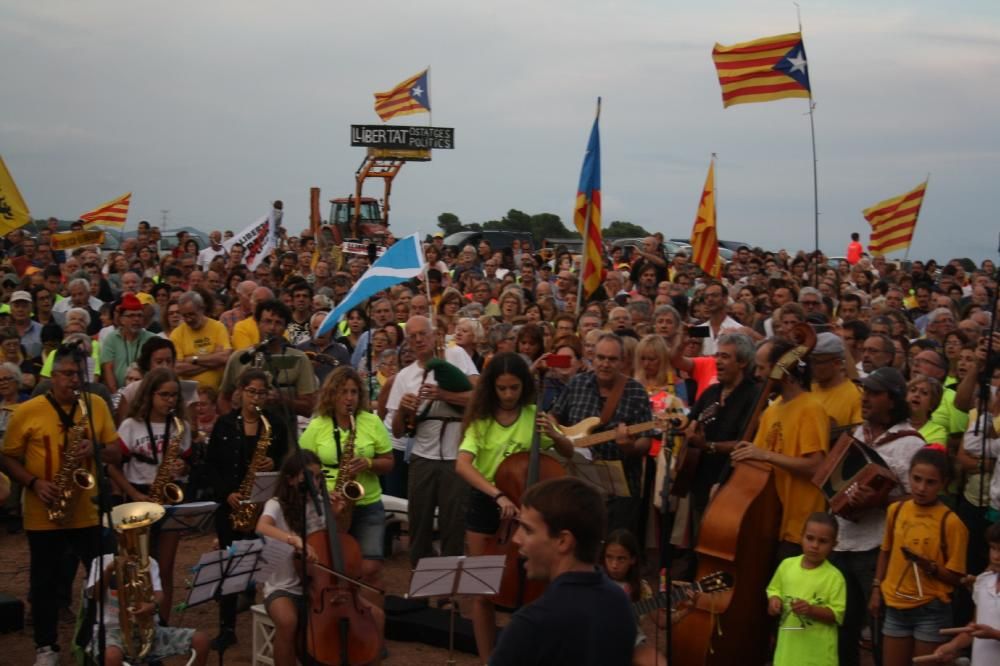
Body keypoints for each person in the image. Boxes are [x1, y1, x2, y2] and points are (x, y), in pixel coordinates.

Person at [0, 345, 121, 666]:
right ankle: (46, 646)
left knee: (101, 576)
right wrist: (34, 483)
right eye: (67, 374)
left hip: (87, 509)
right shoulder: (28, 410)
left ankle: (97, 637)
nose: (73, 380)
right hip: (43, 510)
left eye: (78, 374)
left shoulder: (95, 404)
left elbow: (115, 452)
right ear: (52, 376)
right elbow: (8, 457)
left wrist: (95, 447)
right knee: (44, 581)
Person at [454, 352, 575, 662]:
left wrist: (554, 435)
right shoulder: (481, 421)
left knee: (534, 589)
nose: (508, 395)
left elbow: (568, 451)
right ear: (492, 388)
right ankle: (488, 659)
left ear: (524, 386)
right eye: (502, 388)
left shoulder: (535, 416)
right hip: (487, 502)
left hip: (528, 508)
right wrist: (497, 495)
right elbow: (463, 465)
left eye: (514, 388)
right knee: (483, 591)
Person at [830, 366, 926, 666]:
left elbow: (920, 500)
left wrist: (880, 500)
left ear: (893, 400)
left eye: (874, 393)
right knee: (842, 629)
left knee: (880, 631)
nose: (865, 398)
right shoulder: (858, 433)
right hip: (842, 543)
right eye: (865, 391)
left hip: (878, 550)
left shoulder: (912, 444)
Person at [255, 451, 386, 666]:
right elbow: (262, 526)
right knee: (288, 622)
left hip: (320, 586)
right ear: (290, 480)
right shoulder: (276, 504)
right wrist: (294, 540)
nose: (315, 484)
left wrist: (335, 514)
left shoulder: (319, 505)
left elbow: (334, 542)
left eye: (318, 478)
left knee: (377, 616)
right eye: (308, 478)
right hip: (283, 585)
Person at [489, 476, 636, 666]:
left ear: (563, 541)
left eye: (527, 529)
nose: (516, 538)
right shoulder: (619, 601)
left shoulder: (531, 624)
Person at [205, 369, 289, 651]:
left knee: (265, 563)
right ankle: (227, 628)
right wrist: (225, 493)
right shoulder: (225, 424)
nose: (256, 398)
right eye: (251, 392)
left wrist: (275, 463)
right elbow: (211, 465)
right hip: (232, 504)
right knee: (229, 565)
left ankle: (269, 614)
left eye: (261, 393)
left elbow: (287, 460)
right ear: (240, 392)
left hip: (263, 505)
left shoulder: (275, 424)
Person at [386, 315, 477, 569]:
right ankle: (420, 581)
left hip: (456, 456)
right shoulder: (405, 376)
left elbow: (479, 396)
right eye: (412, 336)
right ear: (407, 342)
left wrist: (443, 395)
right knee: (419, 522)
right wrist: (403, 410)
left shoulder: (456, 355)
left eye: (422, 334)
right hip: (422, 456)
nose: (418, 340)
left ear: (434, 334)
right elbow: (397, 432)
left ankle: (450, 584)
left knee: (454, 523)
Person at [105, 368, 192, 624]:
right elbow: (112, 467)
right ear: (150, 395)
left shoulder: (181, 427)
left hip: (168, 500)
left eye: (174, 395)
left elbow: (188, 464)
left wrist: (182, 467)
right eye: (164, 395)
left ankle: (161, 623)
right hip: (138, 496)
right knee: (137, 566)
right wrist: (133, 493)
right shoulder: (131, 426)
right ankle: (133, 620)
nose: (170, 400)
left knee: (165, 568)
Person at [731, 337, 829, 560]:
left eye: (762, 368)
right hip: (771, 519)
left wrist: (765, 454)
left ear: (781, 369)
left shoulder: (811, 408)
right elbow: (758, 461)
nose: (757, 374)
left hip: (800, 525)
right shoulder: (772, 409)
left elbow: (816, 466)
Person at [300, 366, 393, 597]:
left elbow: (389, 462)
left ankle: (364, 610)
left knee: (370, 567)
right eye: (343, 392)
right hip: (331, 504)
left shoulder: (371, 421)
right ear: (332, 394)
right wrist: (322, 489)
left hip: (367, 502)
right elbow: (302, 463)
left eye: (354, 392)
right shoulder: (318, 424)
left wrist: (369, 463)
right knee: (331, 565)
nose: (349, 398)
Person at [871, 447, 969, 666]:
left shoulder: (951, 523)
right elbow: (885, 551)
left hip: (931, 609)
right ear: (908, 476)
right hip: (895, 605)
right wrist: (876, 588)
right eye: (916, 479)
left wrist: (929, 566)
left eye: (930, 482)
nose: (921, 488)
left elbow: (957, 578)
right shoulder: (896, 510)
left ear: (943, 484)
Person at [549, 333, 653, 534]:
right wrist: (560, 437)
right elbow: (554, 415)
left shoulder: (636, 392)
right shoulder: (577, 384)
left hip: (619, 490)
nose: (605, 364)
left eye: (612, 359)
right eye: (601, 358)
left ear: (622, 361)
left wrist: (629, 446)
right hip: (577, 486)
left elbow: (646, 441)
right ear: (592, 358)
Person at [85, 522, 211, 666]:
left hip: (149, 630)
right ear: (117, 536)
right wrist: (109, 570)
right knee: (112, 656)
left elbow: (159, 593)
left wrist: (152, 605)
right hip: (112, 630)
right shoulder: (100, 562)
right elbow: (95, 596)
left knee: (201, 640)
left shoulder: (150, 563)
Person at [766, 512, 846, 666]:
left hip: (817, 655)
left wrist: (811, 610)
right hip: (787, 651)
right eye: (810, 538)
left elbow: (836, 615)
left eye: (823, 541)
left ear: (834, 545)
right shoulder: (786, 565)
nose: (815, 545)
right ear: (801, 537)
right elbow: (774, 589)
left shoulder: (835, 578)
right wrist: (774, 601)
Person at [932, 522, 1000, 665]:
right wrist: (953, 646)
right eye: (993, 548)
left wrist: (994, 634)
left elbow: (986, 631)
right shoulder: (983, 581)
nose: (996, 556)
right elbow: (976, 626)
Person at [170, 291, 232, 390]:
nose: (188, 319)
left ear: (201, 309)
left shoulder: (218, 327)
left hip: (215, 392)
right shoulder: (177, 334)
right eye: (184, 316)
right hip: (189, 393)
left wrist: (193, 359)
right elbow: (178, 368)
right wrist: (214, 362)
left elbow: (225, 357)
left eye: (191, 314)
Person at [100, 293, 157, 393]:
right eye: (131, 315)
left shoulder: (152, 339)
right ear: (122, 319)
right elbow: (108, 370)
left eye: (139, 315)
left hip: (146, 392)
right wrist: (117, 396)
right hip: (118, 392)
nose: (136, 319)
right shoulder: (111, 339)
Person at [809, 332, 862, 430]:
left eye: (817, 362)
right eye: (810, 361)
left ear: (837, 363)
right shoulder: (806, 391)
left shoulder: (855, 396)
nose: (812, 366)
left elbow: (859, 434)